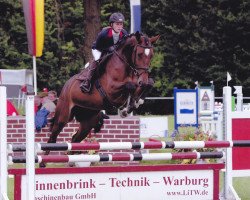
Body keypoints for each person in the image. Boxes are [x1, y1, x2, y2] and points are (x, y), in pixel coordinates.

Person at [79, 12, 128, 93]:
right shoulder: (104, 33)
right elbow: (98, 46)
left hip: (113, 51)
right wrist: (109, 48)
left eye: (121, 24)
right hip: (99, 49)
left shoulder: (124, 33)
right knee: (98, 59)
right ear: (112, 25)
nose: (120, 26)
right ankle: (87, 82)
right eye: (117, 24)